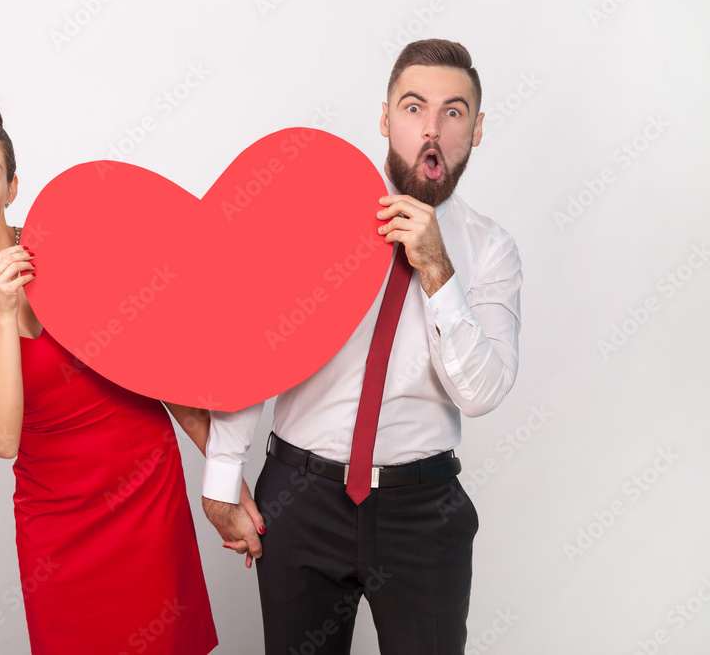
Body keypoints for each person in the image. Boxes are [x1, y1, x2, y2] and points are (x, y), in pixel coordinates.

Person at [200, 39, 523, 654]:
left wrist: (437, 271)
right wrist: (222, 475)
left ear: (476, 130)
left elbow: (480, 394)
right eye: (413, 107)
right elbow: (254, 344)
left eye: (453, 112)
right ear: (384, 118)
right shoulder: (309, 213)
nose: (431, 129)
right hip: (299, 500)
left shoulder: (490, 250)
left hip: (422, 512)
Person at [0, 96, 235, 654]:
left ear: (12, 188)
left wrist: (228, 485)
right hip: (57, 525)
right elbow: (0, 437)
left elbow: (159, 367)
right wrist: (5, 313)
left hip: (144, 492)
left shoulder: (68, 244)